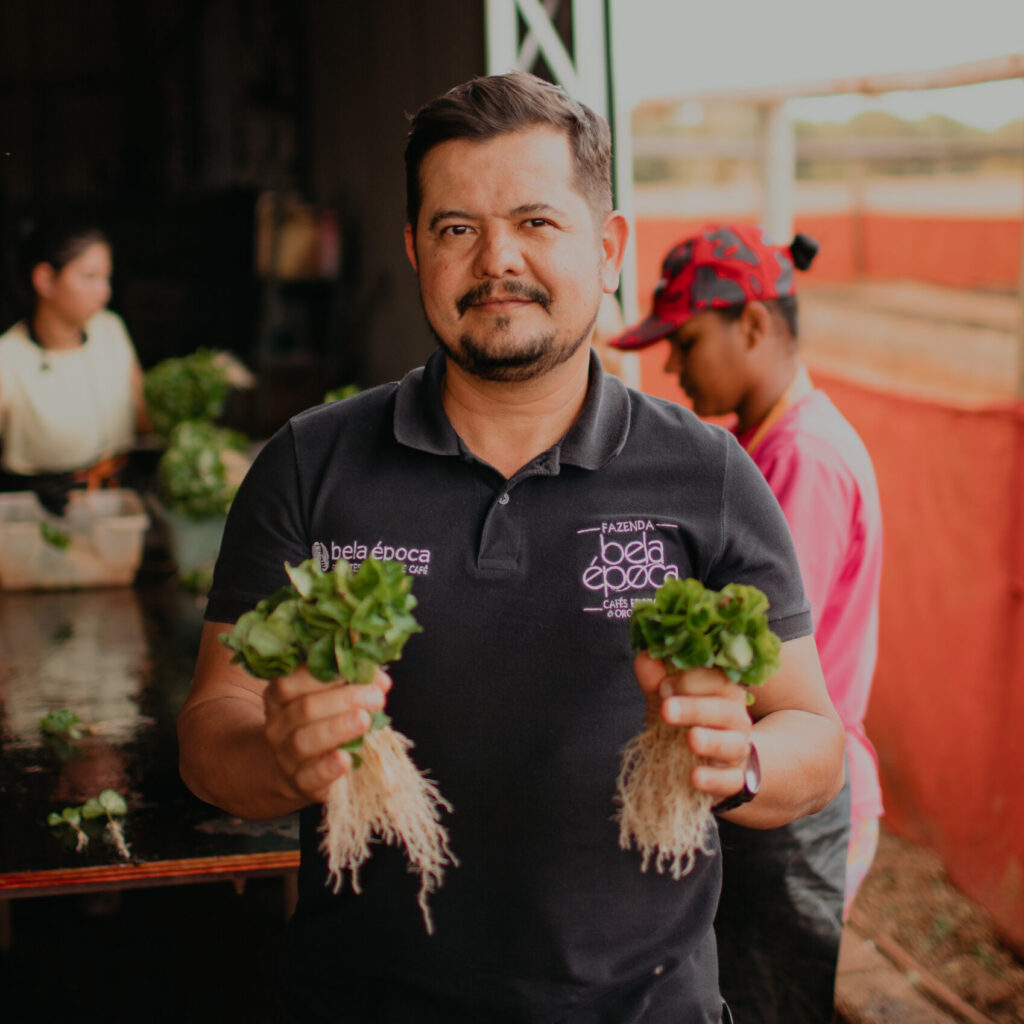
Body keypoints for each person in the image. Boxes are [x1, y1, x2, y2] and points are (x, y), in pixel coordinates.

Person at [177, 73, 845, 1024]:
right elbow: (212, 727)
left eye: (536, 221)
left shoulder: (709, 473)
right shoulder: (307, 464)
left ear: (607, 247)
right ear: (415, 251)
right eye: (456, 228)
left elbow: (814, 741)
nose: (497, 260)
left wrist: (739, 761)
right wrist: (281, 760)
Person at [608, 223, 883, 1022]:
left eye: (686, 341)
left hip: (797, 796)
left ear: (754, 325)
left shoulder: (805, 457)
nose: (674, 365)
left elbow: (755, 645)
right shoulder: (752, 445)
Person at [0, 218, 151, 513]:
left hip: (116, 507)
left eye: (106, 278)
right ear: (45, 279)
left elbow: (144, 417)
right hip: (44, 516)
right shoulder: (8, 358)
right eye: (89, 276)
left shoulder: (111, 330)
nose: (104, 292)